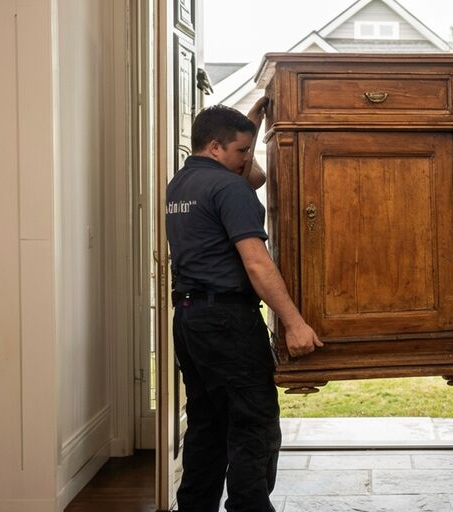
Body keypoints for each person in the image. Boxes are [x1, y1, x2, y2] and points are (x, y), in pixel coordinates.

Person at [166, 99, 323, 512]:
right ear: (216, 147)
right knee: (254, 426)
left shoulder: (182, 183)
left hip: (189, 319)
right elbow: (256, 262)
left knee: (206, 424)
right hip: (227, 322)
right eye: (240, 151)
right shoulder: (228, 188)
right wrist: (293, 322)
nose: (246, 161)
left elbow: (252, 176)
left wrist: (249, 128)